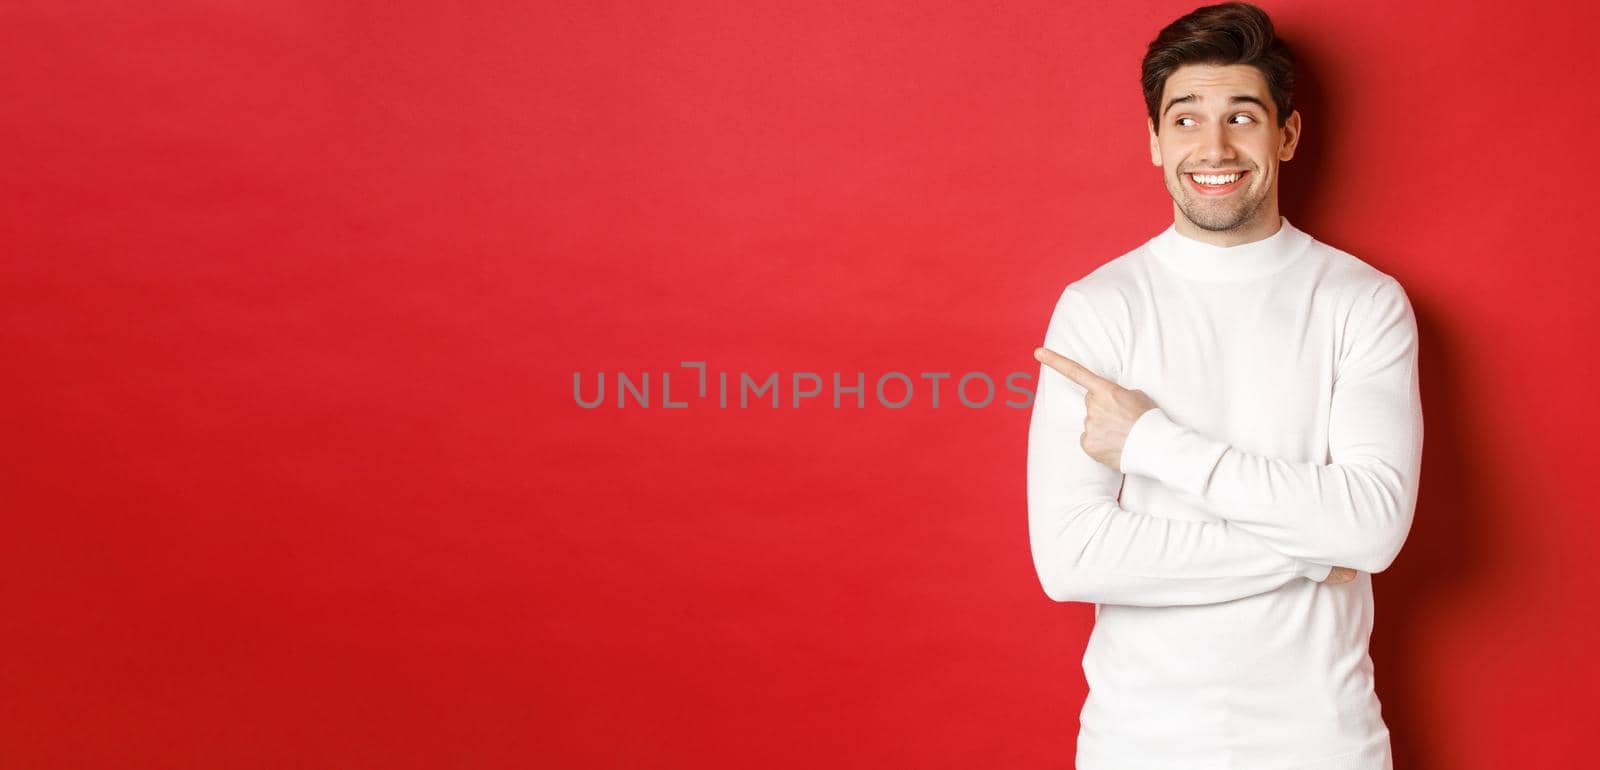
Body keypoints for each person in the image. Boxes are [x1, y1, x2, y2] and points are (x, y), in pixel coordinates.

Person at [1025, 3, 1424, 768]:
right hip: (1137, 747)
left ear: (1287, 134)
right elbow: (1072, 558)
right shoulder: (1100, 307)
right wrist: (1310, 550)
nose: (1213, 146)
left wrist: (1150, 443)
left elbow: (1372, 527)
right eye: (1185, 119)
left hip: (1325, 745)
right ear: (1154, 140)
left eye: (1242, 116)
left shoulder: (1363, 302)